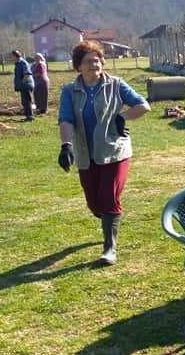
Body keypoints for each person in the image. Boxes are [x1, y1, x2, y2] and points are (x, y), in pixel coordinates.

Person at [57, 40, 150, 265]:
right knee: (94, 203)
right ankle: (109, 218)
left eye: (97, 60)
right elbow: (66, 119)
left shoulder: (116, 85)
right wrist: (66, 145)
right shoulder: (70, 91)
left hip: (114, 151)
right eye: (88, 61)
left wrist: (122, 117)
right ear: (78, 66)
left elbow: (143, 105)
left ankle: (110, 249)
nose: (94, 65)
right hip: (85, 152)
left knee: (108, 197)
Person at [11, 50, 34, 121]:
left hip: (26, 85)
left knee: (27, 101)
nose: (11, 58)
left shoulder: (23, 63)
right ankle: (27, 116)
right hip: (23, 86)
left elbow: (27, 74)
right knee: (24, 102)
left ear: (15, 56)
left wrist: (21, 84)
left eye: (12, 56)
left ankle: (30, 117)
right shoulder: (17, 63)